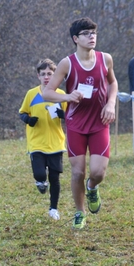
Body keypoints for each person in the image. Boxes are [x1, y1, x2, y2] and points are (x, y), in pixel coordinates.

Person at [42, 17, 118, 229]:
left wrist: (111, 104)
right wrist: (67, 97)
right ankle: (79, 212)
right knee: (77, 172)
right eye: (86, 33)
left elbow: (113, 82)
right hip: (76, 124)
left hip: (99, 122)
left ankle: (92, 188)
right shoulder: (68, 63)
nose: (91, 36)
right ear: (76, 38)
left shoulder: (106, 59)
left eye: (93, 32)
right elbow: (47, 92)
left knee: (97, 173)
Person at [18, 58, 67, 220]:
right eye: (43, 74)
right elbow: (22, 112)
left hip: (55, 142)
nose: (47, 77)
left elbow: (72, 117)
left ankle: (53, 209)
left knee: (55, 178)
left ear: (55, 76)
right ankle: (40, 182)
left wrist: (63, 115)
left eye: (50, 74)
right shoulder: (31, 94)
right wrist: (28, 120)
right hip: (36, 142)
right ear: (38, 76)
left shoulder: (61, 95)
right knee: (40, 174)